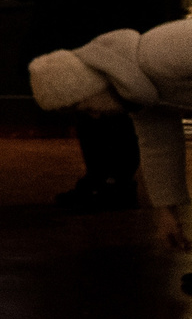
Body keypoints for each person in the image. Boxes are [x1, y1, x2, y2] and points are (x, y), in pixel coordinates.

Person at [8, 0, 184, 211]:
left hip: (117, 35)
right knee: (88, 111)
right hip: (73, 37)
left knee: (120, 108)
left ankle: (120, 181)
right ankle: (96, 175)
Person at [28, 23, 192, 254]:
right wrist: (166, 212)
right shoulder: (139, 93)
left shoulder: (158, 53)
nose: (95, 115)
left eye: (86, 107)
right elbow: (159, 148)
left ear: (95, 86)